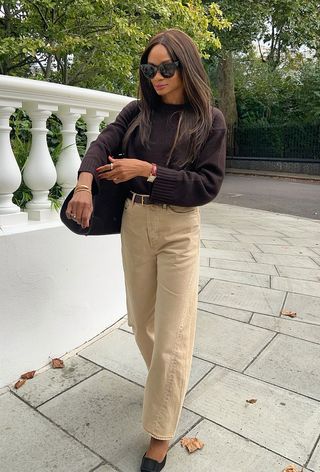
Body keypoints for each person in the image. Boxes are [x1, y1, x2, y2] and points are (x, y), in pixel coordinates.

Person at [66, 28, 227, 472]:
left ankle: (160, 432)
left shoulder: (208, 120)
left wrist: (149, 170)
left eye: (166, 69)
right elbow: (101, 144)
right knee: (141, 323)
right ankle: (168, 384)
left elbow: (207, 186)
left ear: (186, 68)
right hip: (135, 224)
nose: (157, 77)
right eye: (149, 68)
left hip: (178, 228)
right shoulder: (137, 113)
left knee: (173, 335)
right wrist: (84, 183)